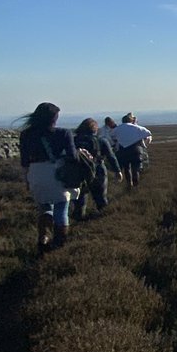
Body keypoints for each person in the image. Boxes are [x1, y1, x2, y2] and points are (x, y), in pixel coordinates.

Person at [18, 102, 92, 253]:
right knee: (61, 209)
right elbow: (72, 157)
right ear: (53, 118)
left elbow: (24, 161)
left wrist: (27, 180)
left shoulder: (26, 134)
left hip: (36, 174)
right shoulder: (64, 133)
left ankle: (43, 238)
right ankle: (59, 246)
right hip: (58, 175)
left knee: (44, 207)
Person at [71, 118, 122, 220]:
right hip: (98, 170)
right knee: (101, 198)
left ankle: (78, 222)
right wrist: (118, 170)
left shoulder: (73, 140)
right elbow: (111, 156)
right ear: (95, 129)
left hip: (78, 173)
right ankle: (103, 220)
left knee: (80, 200)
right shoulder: (101, 141)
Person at [113, 112, 153, 188]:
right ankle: (136, 185)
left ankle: (129, 184)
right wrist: (145, 145)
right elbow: (148, 133)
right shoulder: (137, 128)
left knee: (126, 168)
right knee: (135, 169)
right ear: (131, 120)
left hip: (123, 150)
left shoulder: (117, 129)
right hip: (135, 149)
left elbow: (111, 136)